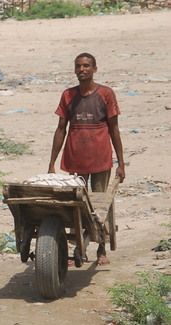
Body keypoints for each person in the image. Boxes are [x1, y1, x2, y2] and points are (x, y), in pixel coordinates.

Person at [48, 52, 125, 265]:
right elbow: (61, 129)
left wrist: (121, 162)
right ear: (74, 70)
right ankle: (77, 249)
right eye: (78, 66)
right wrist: (51, 162)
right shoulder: (68, 95)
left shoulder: (106, 94)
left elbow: (114, 129)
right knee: (76, 204)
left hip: (100, 157)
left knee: (101, 202)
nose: (82, 70)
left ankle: (102, 248)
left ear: (94, 68)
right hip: (75, 158)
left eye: (86, 66)